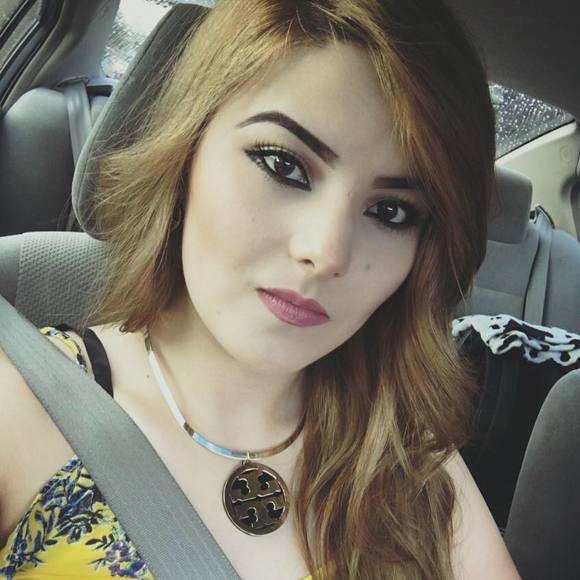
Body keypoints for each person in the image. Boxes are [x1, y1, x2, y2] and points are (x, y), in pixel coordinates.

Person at [0, 0, 521, 578]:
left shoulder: (409, 459)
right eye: (282, 165)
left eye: (392, 211)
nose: (326, 253)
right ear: (187, 150)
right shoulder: (21, 404)